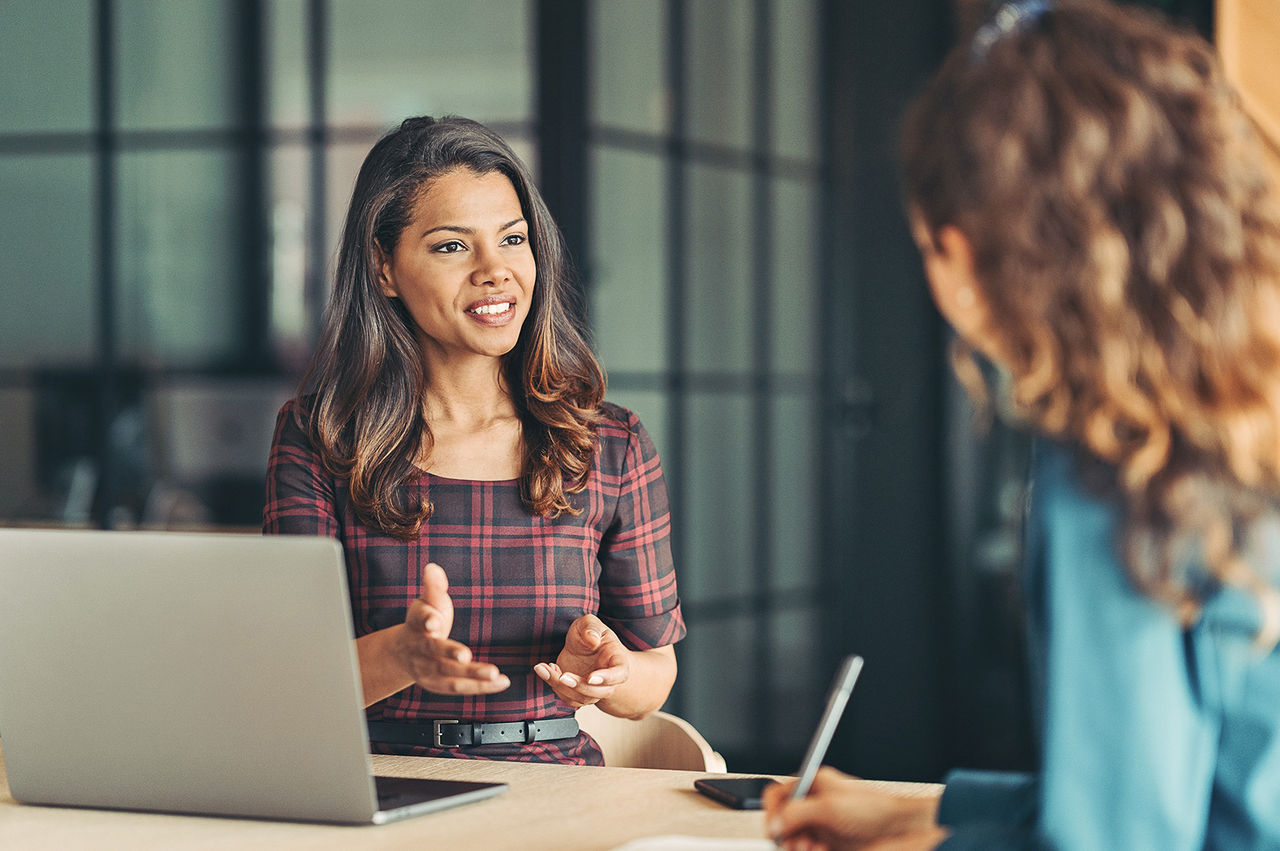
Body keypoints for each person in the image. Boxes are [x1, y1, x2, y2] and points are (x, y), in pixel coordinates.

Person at [765, 0, 1280, 847]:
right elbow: (1190, 783)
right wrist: (922, 812)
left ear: (964, 255)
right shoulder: (1233, 411)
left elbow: (1116, 837)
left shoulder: (1120, 466)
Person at [263, 115, 684, 765]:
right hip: (378, 785)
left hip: (559, 792)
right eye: (452, 246)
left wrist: (607, 671)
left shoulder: (609, 442)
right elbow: (288, 680)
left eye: (512, 238)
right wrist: (401, 654)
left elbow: (655, 668)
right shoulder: (318, 437)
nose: (496, 270)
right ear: (383, 267)